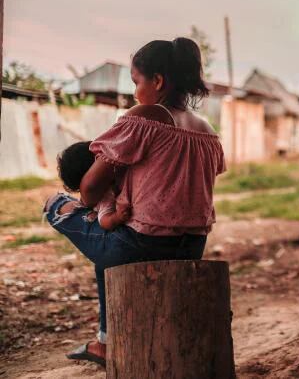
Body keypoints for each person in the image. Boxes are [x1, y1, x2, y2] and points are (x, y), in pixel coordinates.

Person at [44, 37, 226, 367]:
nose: (134, 93)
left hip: (142, 245)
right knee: (106, 244)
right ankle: (104, 339)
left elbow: (88, 188)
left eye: (136, 82)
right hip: (193, 246)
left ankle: (104, 341)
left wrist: (103, 188)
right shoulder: (208, 132)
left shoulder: (144, 116)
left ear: (157, 81)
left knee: (56, 204)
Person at [56, 141, 131, 231]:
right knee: (54, 204)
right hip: (121, 235)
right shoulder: (105, 197)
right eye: (98, 158)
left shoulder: (113, 176)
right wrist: (117, 217)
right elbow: (103, 221)